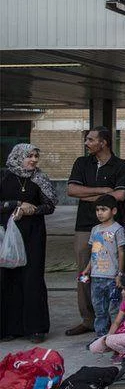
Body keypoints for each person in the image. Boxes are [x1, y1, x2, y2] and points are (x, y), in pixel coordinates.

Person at [66, 127, 125, 336]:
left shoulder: (120, 166)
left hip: (113, 228)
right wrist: (103, 191)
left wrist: (87, 195)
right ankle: (88, 319)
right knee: (85, 272)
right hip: (85, 227)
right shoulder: (81, 163)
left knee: (114, 271)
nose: (87, 143)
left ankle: (116, 319)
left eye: (91, 140)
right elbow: (71, 190)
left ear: (103, 143)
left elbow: (120, 195)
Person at [0, 144, 57, 343]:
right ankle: (9, 328)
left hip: (33, 234)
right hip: (6, 235)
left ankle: (35, 328)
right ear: (18, 157)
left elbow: (49, 205)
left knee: (32, 278)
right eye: (29, 156)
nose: (33, 160)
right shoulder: (4, 177)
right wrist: (16, 204)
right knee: (8, 277)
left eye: (35, 156)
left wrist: (33, 210)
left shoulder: (39, 178)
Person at [83, 195, 125, 337]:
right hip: (96, 277)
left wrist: (119, 274)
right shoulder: (95, 229)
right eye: (97, 210)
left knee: (114, 309)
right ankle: (101, 337)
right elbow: (94, 252)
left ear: (113, 211)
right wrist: (87, 269)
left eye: (103, 209)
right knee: (99, 309)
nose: (100, 213)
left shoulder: (118, 229)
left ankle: (115, 337)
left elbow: (121, 252)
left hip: (112, 277)